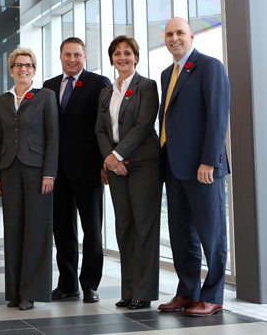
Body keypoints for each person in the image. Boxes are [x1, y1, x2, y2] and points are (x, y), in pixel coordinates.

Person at [157, 17, 230, 317]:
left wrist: (209, 160)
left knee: (211, 234)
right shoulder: (166, 74)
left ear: (191, 37)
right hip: (174, 167)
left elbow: (217, 116)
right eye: (170, 34)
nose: (175, 38)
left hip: (203, 168)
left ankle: (212, 295)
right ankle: (187, 293)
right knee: (181, 235)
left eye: (180, 33)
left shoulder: (209, 66)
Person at [95, 35, 162, 310]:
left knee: (144, 227)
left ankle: (143, 292)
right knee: (124, 227)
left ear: (136, 57)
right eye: (117, 53)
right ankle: (128, 289)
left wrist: (116, 155)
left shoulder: (147, 86)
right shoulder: (106, 92)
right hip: (116, 167)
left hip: (144, 163)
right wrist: (110, 161)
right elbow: (100, 129)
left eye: (127, 52)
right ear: (112, 59)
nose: (122, 57)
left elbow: (144, 125)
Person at [0, 48, 58, 311]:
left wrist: (49, 173)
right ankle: (15, 292)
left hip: (37, 171)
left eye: (28, 65)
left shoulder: (45, 97)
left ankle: (31, 291)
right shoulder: (3, 100)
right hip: (8, 170)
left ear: (34, 69)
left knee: (37, 230)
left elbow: (53, 138)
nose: (23, 69)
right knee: (13, 230)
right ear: (11, 70)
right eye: (18, 65)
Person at [43, 38, 110, 304]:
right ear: (60, 56)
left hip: (89, 170)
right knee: (62, 230)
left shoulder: (98, 83)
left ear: (85, 56)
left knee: (92, 229)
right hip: (57, 172)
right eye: (67, 54)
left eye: (77, 55)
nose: (72, 59)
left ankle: (90, 285)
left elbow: (105, 126)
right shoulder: (48, 86)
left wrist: (106, 162)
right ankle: (67, 283)